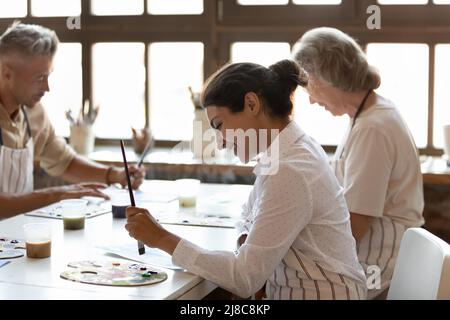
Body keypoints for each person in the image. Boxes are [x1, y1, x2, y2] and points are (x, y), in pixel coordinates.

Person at [125, 59, 367, 300]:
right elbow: (247, 216)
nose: (220, 141)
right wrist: (252, 247)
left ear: (251, 104)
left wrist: (162, 238)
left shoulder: (290, 169)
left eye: (219, 125)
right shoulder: (287, 151)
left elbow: (244, 279)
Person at [292, 27, 424, 299]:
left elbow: (356, 225)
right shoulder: (368, 114)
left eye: (309, 86)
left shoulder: (372, 128)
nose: (312, 100)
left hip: (382, 262)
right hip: (384, 254)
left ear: (328, 77)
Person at [0, 22, 145, 219]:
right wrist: (58, 194)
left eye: (48, 76)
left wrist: (115, 175)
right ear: (7, 73)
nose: (47, 88)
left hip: (15, 239)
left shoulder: (34, 114)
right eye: (39, 78)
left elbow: (65, 162)